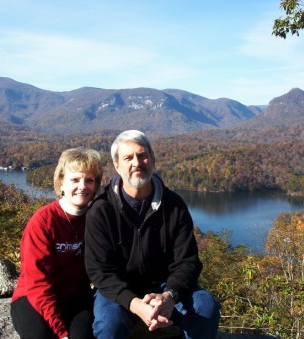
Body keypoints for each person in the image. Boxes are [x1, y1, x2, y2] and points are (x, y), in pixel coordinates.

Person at [85, 130, 221, 339]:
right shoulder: (102, 210)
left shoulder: (174, 205)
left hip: (165, 285)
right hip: (119, 289)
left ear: (153, 160)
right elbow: (99, 271)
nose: (137, 163)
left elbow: (188, 262)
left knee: (206, 308)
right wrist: (134, 303)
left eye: (142, 155)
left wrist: (170, 296)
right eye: (128, 158)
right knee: (109, 324)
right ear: (117, 166)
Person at [11, 147, 103, 339]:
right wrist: (61, 333)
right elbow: (38, 282)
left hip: (76, 298)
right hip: (33, 297)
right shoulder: (44, 221)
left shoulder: (96, 220)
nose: (83, 186)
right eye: (75, 179)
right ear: (61, 182)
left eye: (89, 180)